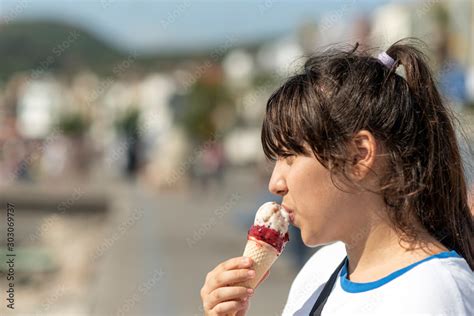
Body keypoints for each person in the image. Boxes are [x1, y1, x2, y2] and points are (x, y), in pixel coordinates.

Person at [200, 39, 474, 315]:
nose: (275, 183)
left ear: (359, 155)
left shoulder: (434, 294)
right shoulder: (320, 269)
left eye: (290, 156)